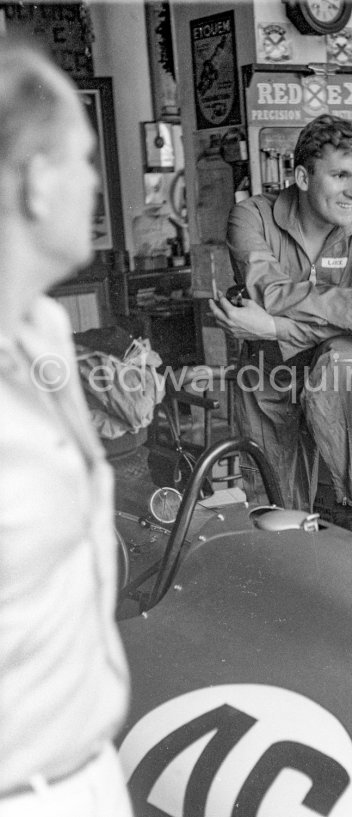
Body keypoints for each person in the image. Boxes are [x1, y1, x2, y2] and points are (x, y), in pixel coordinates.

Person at [0, 41, 133, 814]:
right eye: (84, 158)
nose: (96, 181)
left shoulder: (42, 328)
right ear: (37, 180)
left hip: (84, 765)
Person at [210, 114, 352, 540]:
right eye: (339, 175)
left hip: (339, 379)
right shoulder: (250, 218)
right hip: (267, 383)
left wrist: (275, 328)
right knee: (277, 522)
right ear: (301, 175)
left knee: (349, 359)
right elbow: (272, 292)